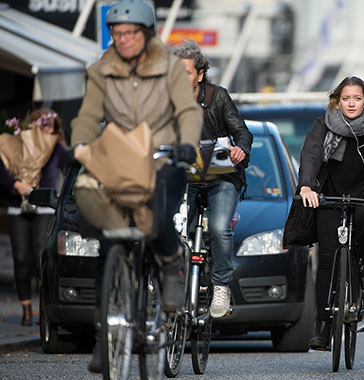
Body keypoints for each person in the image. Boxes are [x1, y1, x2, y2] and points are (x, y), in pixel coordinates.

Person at [68, 0, 202, 372]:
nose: (123, 39)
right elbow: (88, 116)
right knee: (110, 239)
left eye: (130, 32)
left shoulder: (172, 69)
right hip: (119, 158)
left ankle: (169, 260)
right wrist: (78, 145)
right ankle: (104, 335)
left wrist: (187, 145)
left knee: (158, 214)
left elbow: (189, 111)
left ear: (146, 33)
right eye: (117, 33)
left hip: (163, 155)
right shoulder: (100, 71)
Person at [283, 76, 364, 350]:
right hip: (330, 196)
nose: (351, 103)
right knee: (327, 259)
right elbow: (311, 155)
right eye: (345, 98)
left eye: (356, 98)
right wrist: (306, 186)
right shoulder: (323, 124)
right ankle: (323, 326)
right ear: (337, 101)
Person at [171, 39, 253, 318]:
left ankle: (220, 286)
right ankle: (170, 285)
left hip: (221, 177)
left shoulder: (217, 97)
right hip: (184, 179)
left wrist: (241, 148)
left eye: (186, 73)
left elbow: (242, 132)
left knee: (219, 228)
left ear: (200, 74)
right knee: (172, 228)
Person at [0, 109, 65, 326]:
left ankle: (45, 307)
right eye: (44, 125)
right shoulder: (17, 142)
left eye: (51, 127)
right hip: (16, 204)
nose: (47, 130)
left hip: (44, 204)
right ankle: (26, 308)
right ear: (33, 124)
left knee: (41, 253)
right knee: (20, 258)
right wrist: (16, 184)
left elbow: (68, 168)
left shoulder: (56, 147)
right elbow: (2, 166)